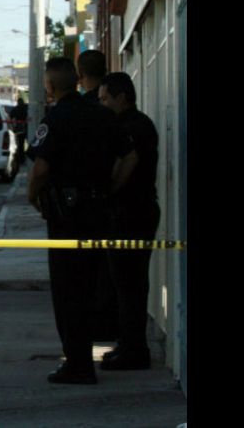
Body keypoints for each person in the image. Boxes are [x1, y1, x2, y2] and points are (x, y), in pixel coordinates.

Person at [26, 57, 137, 384]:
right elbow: (130, 157)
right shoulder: (103, 115)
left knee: (68, 290)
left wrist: (33, 197)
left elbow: (41, 168)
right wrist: (111, 188)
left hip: (66, 216)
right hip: (99, 210)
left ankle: (78, 364)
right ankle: (82, 358)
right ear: (76, 81)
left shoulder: (57, 117)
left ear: (49, 86)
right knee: (93, 285)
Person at [98, 72, 160, 371]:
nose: (102, 104)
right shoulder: (132, 123)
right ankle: (128, 344)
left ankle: (134, 350)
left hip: (132, 212)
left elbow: (128, 163)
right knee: (124, 285)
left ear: (122, 97)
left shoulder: (133, 126)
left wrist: (108, 190)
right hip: (131, 212)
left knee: (129, 285)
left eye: (105, 98)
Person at [77, 49, 118, 342]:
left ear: (81, 75)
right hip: (108, 199)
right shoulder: (112, 112)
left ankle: (98, 325)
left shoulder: (81, 110)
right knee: (110, 271)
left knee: (88, 273)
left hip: (88, 201)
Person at [8, 97, 29, 164]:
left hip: (19, 128)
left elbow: (10, 117)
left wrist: (13, 126)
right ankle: (23, 158)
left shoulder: (16, 109)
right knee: (23, 143)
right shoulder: (26, 108)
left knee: (19, 144)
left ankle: (20, 159)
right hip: (27, 127)